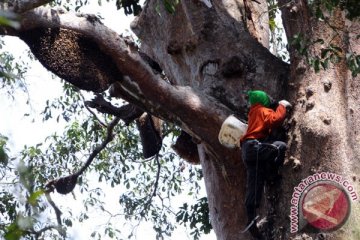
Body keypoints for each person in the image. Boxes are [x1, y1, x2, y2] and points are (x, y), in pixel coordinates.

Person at [240, 90, 292, 239]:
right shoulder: (262, 110)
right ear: (262, 100)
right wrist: (282, 105)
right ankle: (273, 175)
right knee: (280, 147)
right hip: (255, 147)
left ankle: (251, 220)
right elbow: (276, 119)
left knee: (254, 183)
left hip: (248, 152)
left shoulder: (252, 113)